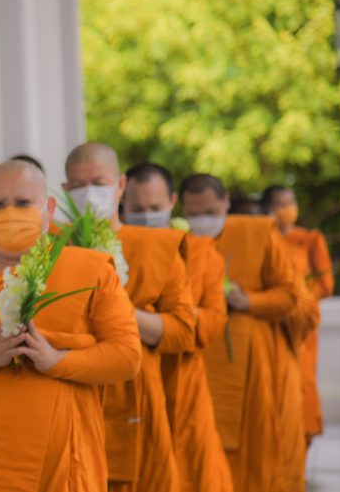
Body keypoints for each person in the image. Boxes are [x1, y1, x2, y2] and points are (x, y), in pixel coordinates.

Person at [0, 160, 142, 492]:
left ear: (48, 207)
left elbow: (127, 356)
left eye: (23, 203)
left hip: (62, 456)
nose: (11, 212)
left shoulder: (89, 269)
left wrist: (56, 359)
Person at [64, 143, 195, 492]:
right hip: (70, 389)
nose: (89, 192)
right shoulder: (51, 248)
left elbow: (183, 331)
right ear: (64, 191)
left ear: (120, 185)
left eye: (99, 181)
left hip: (138, 394)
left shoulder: (157, 246)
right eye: (78, 185)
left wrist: (118, 313)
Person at [179, 174, 301, 492]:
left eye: (209, 211)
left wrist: (249, 301)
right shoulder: (179, 242)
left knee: (254, 450)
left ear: (225, 202)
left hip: (251, 364)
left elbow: (290, 294)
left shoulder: (258, 232)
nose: (201, 221)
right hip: (201, 357)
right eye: (193, 214)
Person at [122, 163, 233, 492]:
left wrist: (169, 317)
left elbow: (212, 322)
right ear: (122, 206)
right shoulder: (111, 251)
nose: (146, 215)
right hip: (133, 380)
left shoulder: (200, 252)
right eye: (137, 209)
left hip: (184, 378)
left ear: (172, 201)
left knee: (193, 469)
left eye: (155, 208)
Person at [262, 185, 333, 447]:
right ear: (269, 208)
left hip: (302, 327)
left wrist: (296, 298)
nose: (287, 209)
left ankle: (303, 443)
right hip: (271, 323)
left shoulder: (310, 239)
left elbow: (326, 284)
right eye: (281, 203)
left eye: (291, 202)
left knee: (303, 382)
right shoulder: (264, 238)